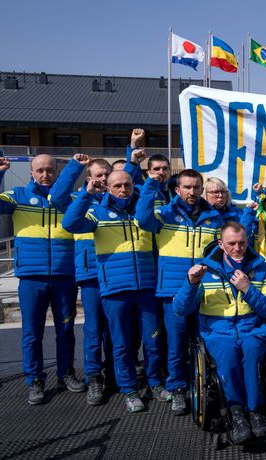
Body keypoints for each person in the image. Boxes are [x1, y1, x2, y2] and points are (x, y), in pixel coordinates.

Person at [0, 155, 85, 404]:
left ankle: (66, 373)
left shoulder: (70, 200)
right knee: (31, 332)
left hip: (64, 276)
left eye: (50, 170)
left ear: (58, 172)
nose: (45, 174)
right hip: (31, 277)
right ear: (31, 172)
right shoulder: (17, 196)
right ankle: (35, 379)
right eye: (40, 170)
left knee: (66, 330)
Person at [62, 170, 164, 413]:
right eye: (117, 185)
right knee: (122, 344)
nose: (123, 190)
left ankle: (156, 383)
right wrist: (87, 195)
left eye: (127, 184)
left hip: (147, 287)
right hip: (115, 290)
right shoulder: (96, 213)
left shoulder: (144, 211)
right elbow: (70, 224)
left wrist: (149, 184)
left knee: (153, 340)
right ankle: (128, 389)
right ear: (107, 188)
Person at [173, 222, 266, 443]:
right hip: (218, 331)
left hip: (251, 328)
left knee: (251, 357)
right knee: (229, 358)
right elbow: (180, 309)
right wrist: (191, 283)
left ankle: (255, 411)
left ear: (247, 242)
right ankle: (237, 412)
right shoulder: (204, 269)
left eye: (241, 243)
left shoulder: (261, 267)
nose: (237, 248)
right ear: (221, 244)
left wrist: (248, 289)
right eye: (231, 244)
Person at [135, 168, 224, 414]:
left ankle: (207, 386)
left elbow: (219, 253)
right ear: (177, 189)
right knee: (176, 344)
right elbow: (142, 219)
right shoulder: (164, 214)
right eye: (186, 187)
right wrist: (151, 186)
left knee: (206, 341)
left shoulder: (213, 217)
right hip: (173, 290)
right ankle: (178, 389)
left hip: (205, 291)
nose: (192, 191)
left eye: (196, 187)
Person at [51, 154, 115, 405]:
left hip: (115, 274)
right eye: (99, 175)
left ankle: (114, 373)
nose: (103, 179)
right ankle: (93, 377)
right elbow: (56, 197)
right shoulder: (78, 200)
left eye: (106, 175)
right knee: (93, 330)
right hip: (91, 276)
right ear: (89, 179)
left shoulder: (117, 200)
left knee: (115, 330)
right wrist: (75, 167)